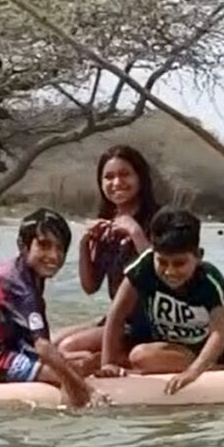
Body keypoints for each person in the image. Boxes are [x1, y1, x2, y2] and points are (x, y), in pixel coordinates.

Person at [96, 207, 224, 394]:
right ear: (154, 254)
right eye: (163, 262)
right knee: (139, 356)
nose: (170, 271)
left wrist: (193, 373)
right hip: (180, 352)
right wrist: (108, 364)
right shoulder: (145, 267)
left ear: (198, 256)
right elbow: (117, 314)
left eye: (179, 263)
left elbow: (220, 333)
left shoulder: (209, 279)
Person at [0, 208, 98, 408]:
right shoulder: (17, 283)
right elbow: (44, 347)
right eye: (44, 246)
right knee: (74, 371)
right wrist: (87, 391)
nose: (54, 256)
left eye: (60, 248)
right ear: (23, 246)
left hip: (14, 347)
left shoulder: (29, 273)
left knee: (86, 359)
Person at [56, 145, 161, 359]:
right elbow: (90, 287)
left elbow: (162, 274)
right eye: (109, 177)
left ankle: (117, 364)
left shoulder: (160, 219)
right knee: (52, 341)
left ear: (140, 177)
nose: (117, 183)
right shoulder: (107, 224)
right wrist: (85, 244)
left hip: (147, 323)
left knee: (68, 348)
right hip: (116, 319)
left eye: (125, 175)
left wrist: (135, 232)